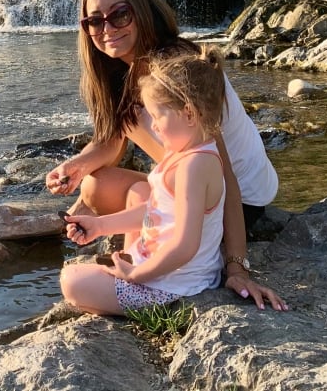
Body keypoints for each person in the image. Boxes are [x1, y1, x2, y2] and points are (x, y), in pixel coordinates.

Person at [47, 0, 285, 310]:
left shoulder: (177, 70)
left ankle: (141, 280)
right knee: (95, 186)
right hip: (188, 186)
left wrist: (237, 266)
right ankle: (134, 259)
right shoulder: (118, 73)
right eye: (95, 22)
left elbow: (224, 173)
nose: (108, 29)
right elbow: (113, 139)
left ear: (142, 11)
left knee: (99, 211)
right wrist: (77, 165)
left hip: (236, 198)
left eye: (120, 15)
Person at [60, 47, 231, 314]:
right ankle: (128, 271)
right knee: (77, 273)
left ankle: (142, 302)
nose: (153, 127)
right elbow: (157, 212)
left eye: (157, 116)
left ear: (188, 113)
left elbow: (185, 246)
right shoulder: (183, 154)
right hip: (163, 274)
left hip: (174, 287)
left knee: (72, 281)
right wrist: (99, 225)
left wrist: (136, 275)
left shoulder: (196, 166)